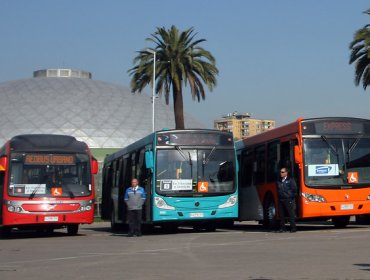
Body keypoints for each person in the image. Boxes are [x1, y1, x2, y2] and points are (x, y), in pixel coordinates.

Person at [276, 167, 297, 233]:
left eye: (282, 172)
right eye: (280, 172)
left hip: (288, 199)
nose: (281, 173)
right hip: (281, 199)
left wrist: (291, 196)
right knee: (281, 215)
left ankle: (293, 228)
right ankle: (283, 228)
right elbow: (278, 189)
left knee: (291, 214)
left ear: (286, 173)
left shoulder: (290, 180)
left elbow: (294, 189)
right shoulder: (279, 181)